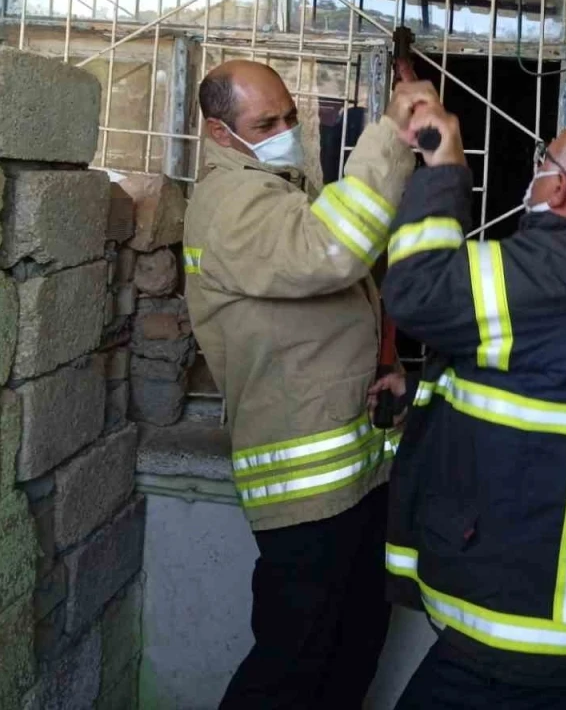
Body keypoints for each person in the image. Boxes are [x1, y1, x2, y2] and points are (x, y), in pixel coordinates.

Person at [380, 108, 566, 709]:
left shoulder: (558, 276)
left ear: (560, 186)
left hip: (525, 640)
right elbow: (535, 381)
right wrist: (419, 391)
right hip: (565, 624)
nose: (536, 171)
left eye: (544, 160)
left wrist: (445, 167)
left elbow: (417, 291)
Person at [182, 59, 431, 709]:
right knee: (293, 664)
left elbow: (337, 300)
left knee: (351, 646)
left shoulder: (280, 186)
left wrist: (385, 364)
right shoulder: (233, 203)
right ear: (219, 133)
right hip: (305, 488)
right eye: (266, 124)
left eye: (290, 117)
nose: (286, 132)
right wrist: (390, 136)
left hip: (354, 471)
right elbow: (331, 252)